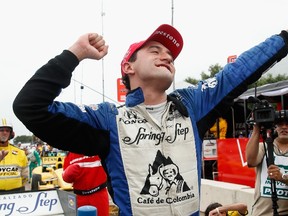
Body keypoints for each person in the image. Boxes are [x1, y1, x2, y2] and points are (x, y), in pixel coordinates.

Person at [12, 23, 288, 215]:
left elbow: (237, 71)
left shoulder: (192, 104)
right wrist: (75, 53)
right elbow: (30, 106)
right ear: (128, 67)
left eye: (170, 55)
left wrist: (284, 39)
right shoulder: (108, 119)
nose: (167, 56)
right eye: (155, 51)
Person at [246, 114, 288, 215]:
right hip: (262, 213)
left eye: (287, 124)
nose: (284, 127)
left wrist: (282, 178)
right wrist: (256, 128)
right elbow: (251, 162)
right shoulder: (263, 147)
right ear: (275, 128)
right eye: (280, 124)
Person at [62, 152, 109, 216]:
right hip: (79, 197)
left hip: (99, 194)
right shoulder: (70, 154)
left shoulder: (98, 149)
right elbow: (65, 176)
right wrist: (68, 174)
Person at [0, 118, 29, 192]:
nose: (5, 133)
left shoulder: (20, 152)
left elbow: (25, 176)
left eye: (7, 130)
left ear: (11, 133)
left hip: (16, 194)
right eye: (1, 130)